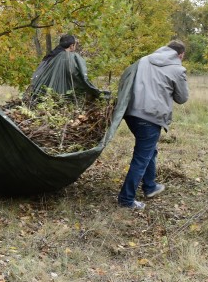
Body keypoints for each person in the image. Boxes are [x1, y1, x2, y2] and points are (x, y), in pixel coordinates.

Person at [117, 41, 188, 210]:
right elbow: (182, 98)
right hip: (150, 116)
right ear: (180, 55)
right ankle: (126, 199)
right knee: (141, 158)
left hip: (130, 113)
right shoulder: (178, 69)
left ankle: (150, 186)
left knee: (149, 150)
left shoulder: (144, 60)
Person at [29, 34, 105, 101]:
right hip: (59, 98)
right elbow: (77, 76)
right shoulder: (69, 57)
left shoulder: (49, 57)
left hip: (39, 95)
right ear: (71, 45)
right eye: (75, 45)